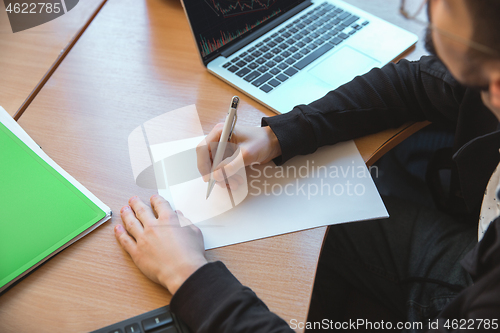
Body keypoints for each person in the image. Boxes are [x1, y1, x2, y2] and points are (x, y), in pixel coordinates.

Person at [113, 0, 500, 331]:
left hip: (464, 289)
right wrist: (280, 135)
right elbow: (418, 82)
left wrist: (186, 275)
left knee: (299, 246)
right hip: (481, 234)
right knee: (316, 217)